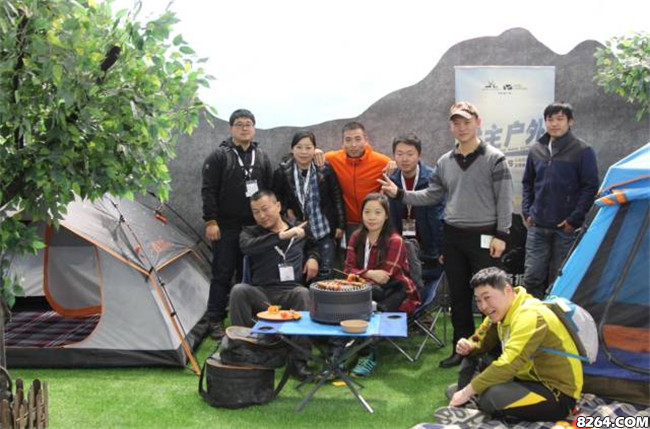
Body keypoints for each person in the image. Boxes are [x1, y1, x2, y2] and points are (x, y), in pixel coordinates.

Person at [380, 101, 513, 368]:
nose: (461, 128)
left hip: (485, 235)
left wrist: (502, 234)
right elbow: (432, 195)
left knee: (491, 296)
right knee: (459, 297)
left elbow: (505, 199)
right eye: (456, 123)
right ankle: (461, 350)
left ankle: (494, 351)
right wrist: (400, 194)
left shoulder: (494, 158)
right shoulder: (445, 162)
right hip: (453, 236)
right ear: (451, 127)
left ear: (478, 123)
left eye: (466, 122)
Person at [449, 267, 582, 422]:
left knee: (490, 397)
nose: (483, 306)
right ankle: (473, 405)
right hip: (526, 380)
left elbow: (508, 364)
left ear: (507, 290)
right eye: (478, 300)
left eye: (487, 298)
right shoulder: (499, 312)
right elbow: (479, 340)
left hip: (557, 394)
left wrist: (466, 392)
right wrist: (469, 345)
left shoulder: (530, 315)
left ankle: (476, 406)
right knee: (460, 382)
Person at [229, 190, 319, 381]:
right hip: (261, 293)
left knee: (303, 293)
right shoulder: (250, 232)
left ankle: (299, 362)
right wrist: (282, 236)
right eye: (256, 212)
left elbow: (314, 246)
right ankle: (244, 350)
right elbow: (247, 247)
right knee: (238, 291)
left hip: (290, 292)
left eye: (265, 209)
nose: (261, 216)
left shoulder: (299, 228)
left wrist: (313, 258)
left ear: (278, 206)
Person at [201, 109, 273, 339]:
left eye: (248, 124)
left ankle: (246, 318)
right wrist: (211, 221)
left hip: (254, 228)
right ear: (231, 128)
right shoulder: (219, 156)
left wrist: (269, 223)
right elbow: (208, 190)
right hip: (225, 226)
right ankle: (214, 319)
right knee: (222, 274)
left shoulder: (261, 157)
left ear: (254, 128)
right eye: (239, 124)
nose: (244, 128)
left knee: (249, 275)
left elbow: (269, 190)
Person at [521, 102, 599, 298]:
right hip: (537, 226)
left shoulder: (582, 150)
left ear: (570, 121)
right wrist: (527, 211)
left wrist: (574, 219)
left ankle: (557, 317)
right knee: (532, 277)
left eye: (560, 119)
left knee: (560, 280)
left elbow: (590, 187)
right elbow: (527, 182)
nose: (554, 124)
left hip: (565, 228)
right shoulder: (536, 149)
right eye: (550, 119)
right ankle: (533, 315)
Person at [343, 193, 421, 377]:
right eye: (367, 212)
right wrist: (369, 274)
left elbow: (385, 277)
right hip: (364, 290)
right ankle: (342, 352)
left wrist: (358, 274)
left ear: (386, 215)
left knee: (363, 305)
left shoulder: (395, 240)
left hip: (396, 292)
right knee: (350, 301)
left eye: (377, 212)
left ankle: (366, 355)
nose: (371, 217)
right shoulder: (356, 236)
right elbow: (347, 269)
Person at [272, 130, 346, 279]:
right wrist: (287, 211)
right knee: (300, 274)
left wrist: (340, 224)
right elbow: (276, 199)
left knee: (325, 275)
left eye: (308, 147)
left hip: (322, 230)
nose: (304, 152)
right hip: (298, 232)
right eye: (299, 147)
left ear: (315, 149)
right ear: (292, 149)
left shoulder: (325, 168)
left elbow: (336, 196)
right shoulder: (283, 172)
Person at [387, 133, 445, 281]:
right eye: (400, 154)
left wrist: (441, 249)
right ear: (394, 156)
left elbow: (439, 217)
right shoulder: (391, 180)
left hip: (429, 249)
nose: (404, 159)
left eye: (410, 154)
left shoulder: (433, 178)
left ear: (419, 154)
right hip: (401, 248)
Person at [321, 122, 391, 238]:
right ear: (342, 143)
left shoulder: (382, 162)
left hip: (374, 221)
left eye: (358, 139)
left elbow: (401, 169)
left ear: (366, 140)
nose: (353, 145)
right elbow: (306, 158)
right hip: (348, 223)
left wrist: (395, 165)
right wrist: (316, 153)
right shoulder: (332, 158)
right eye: (348, 140)